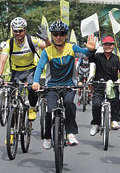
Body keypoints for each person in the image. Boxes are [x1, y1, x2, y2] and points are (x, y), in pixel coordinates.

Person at [32, 20, 96, 149]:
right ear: (52, 36)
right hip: (51, 86)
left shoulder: (71, 47)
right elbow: (39, 68)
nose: (58, 37)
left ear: (66, 35)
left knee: (69, 104)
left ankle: (71, 133)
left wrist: (91, 50)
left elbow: (85, 54)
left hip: (69, 85)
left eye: (61, 34)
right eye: (55, 34)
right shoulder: (47, 51)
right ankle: (48, 137)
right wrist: (35, 82)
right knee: (49, 111)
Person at [0, 17, 50, 120]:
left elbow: (49, 48)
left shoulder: (31, 40)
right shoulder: (8, 44)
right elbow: (2, 62)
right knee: (12, 98)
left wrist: (47, 39)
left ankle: (32, 108)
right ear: (12, 31)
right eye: (15, 31)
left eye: (21, 31)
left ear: (25, 30)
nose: (18, 33)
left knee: (32, 90)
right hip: (16, 72)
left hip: (30, 70)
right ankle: (12, 131)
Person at [89, 36, 120, 136]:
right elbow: (90, 58)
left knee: (116, 101)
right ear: (102, 46)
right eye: (105, 44)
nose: (108, 46)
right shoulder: (98, 56)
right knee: (96, 104)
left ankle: (114, 120)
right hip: (99, 85)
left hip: (112, 86)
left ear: (113, 46)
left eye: (110, 44)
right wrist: (92, 49)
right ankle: (96, 123)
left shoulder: (117, 59)